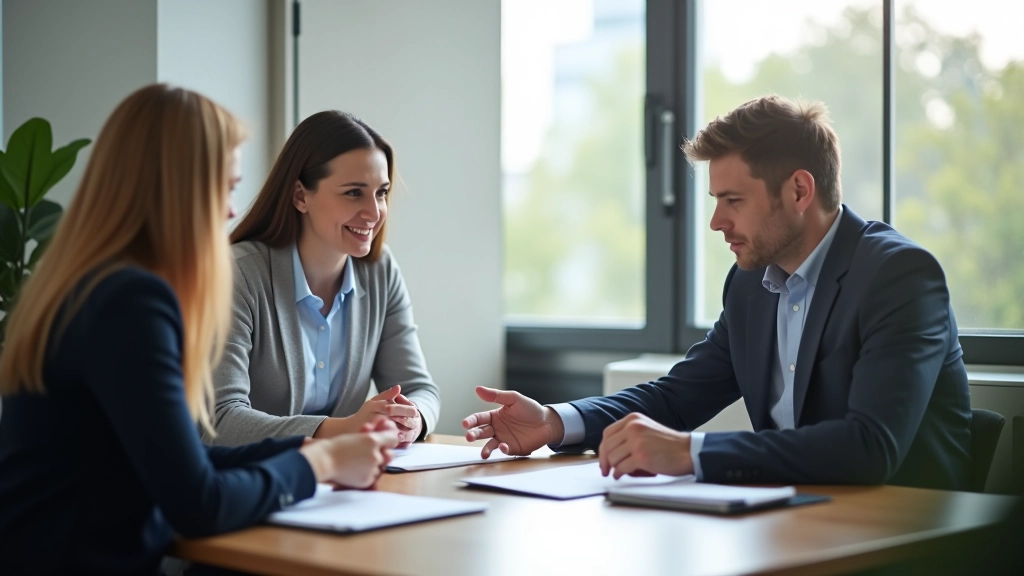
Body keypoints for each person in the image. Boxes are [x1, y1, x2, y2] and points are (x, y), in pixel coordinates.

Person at [464, 95, 972, 490]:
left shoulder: (900, 277)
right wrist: (555, 422)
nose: (715, 222)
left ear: (799, 191)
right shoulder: (752, 282)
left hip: (903, 535)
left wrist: (690, 453)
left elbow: (870, 447)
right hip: (791, 522)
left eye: (733, 200)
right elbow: (677, 397)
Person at [0, 84, 399, 576]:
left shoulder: (86, 285)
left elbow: (183, 460)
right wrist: (323, 463)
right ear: (175, 189)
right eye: (225, 188)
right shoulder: (130, 304)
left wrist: (316, 447)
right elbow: (199, 501)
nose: (232, 210)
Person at [206, 111, 440, 448]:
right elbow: (221, 420)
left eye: (381, 193)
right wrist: (343, 430)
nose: (374, 213)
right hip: (257, 485)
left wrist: (412, 417)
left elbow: (421, 389)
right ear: (301, 196)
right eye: (353, 193)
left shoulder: (381, 271)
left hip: (343, 482)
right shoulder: (236, 274)